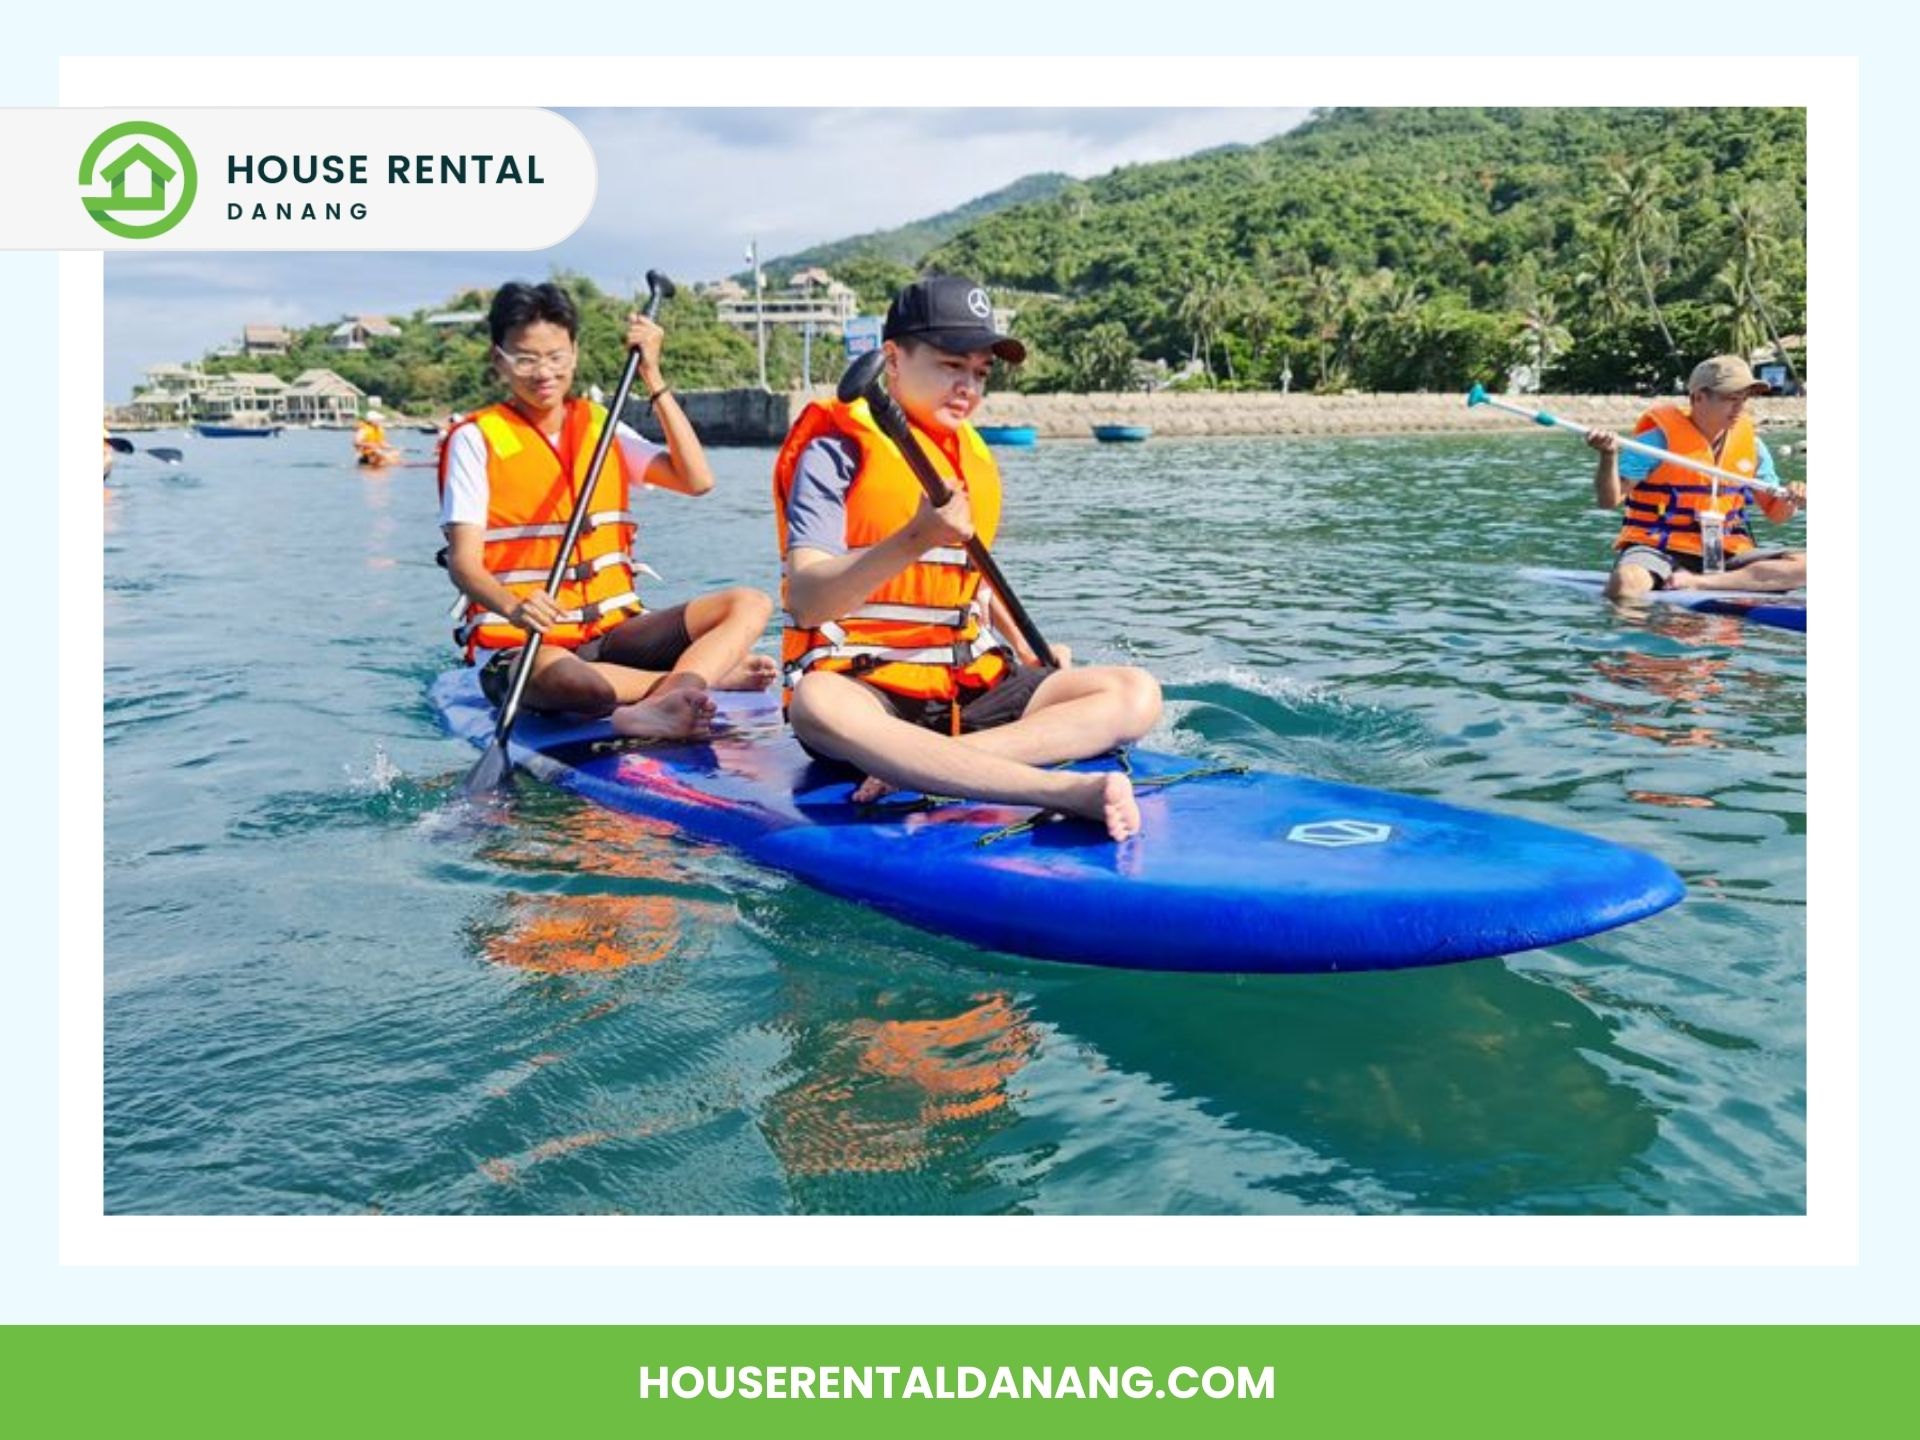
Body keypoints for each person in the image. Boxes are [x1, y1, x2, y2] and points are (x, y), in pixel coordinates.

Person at [774, 275, 1162, 842]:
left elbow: (974, 585)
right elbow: (807, 600)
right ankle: (1055, 791)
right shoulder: (835, 451)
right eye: (952, 365)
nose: (968, 388)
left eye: (980, 373)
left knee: (1134, 693)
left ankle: (924, 763)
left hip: (964, 687)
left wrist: (1031, 652)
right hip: (866, 687)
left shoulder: (969, 457)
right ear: (893, 360)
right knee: (815, 704)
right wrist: (916, 537)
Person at [439, 281, 775, 741]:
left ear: (575, 353)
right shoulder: (475, 439)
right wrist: (515, 607)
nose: (543, 372)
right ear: (499, 360)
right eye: (525, 358)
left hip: (613, 636)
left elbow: (697, 480)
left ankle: (671, 695)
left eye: (556, 356)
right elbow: (463, 562)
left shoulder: (601, 425)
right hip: (529, 648)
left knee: (749, 603)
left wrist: (653, 376)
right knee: (580, 685)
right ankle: (694, 681)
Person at [1587, 355, 1807, 599]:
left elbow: (1776, 514)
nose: (1739, 408)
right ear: (1698, 398)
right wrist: (1608, 456)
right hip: (1660, 548)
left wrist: (1792, 499)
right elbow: (1608, 501)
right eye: (1731, 399)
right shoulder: (1656, 442)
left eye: (1744, 400)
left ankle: (1700, 583)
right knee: (1625, 584)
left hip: (1724, 552)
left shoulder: (1753, 447)